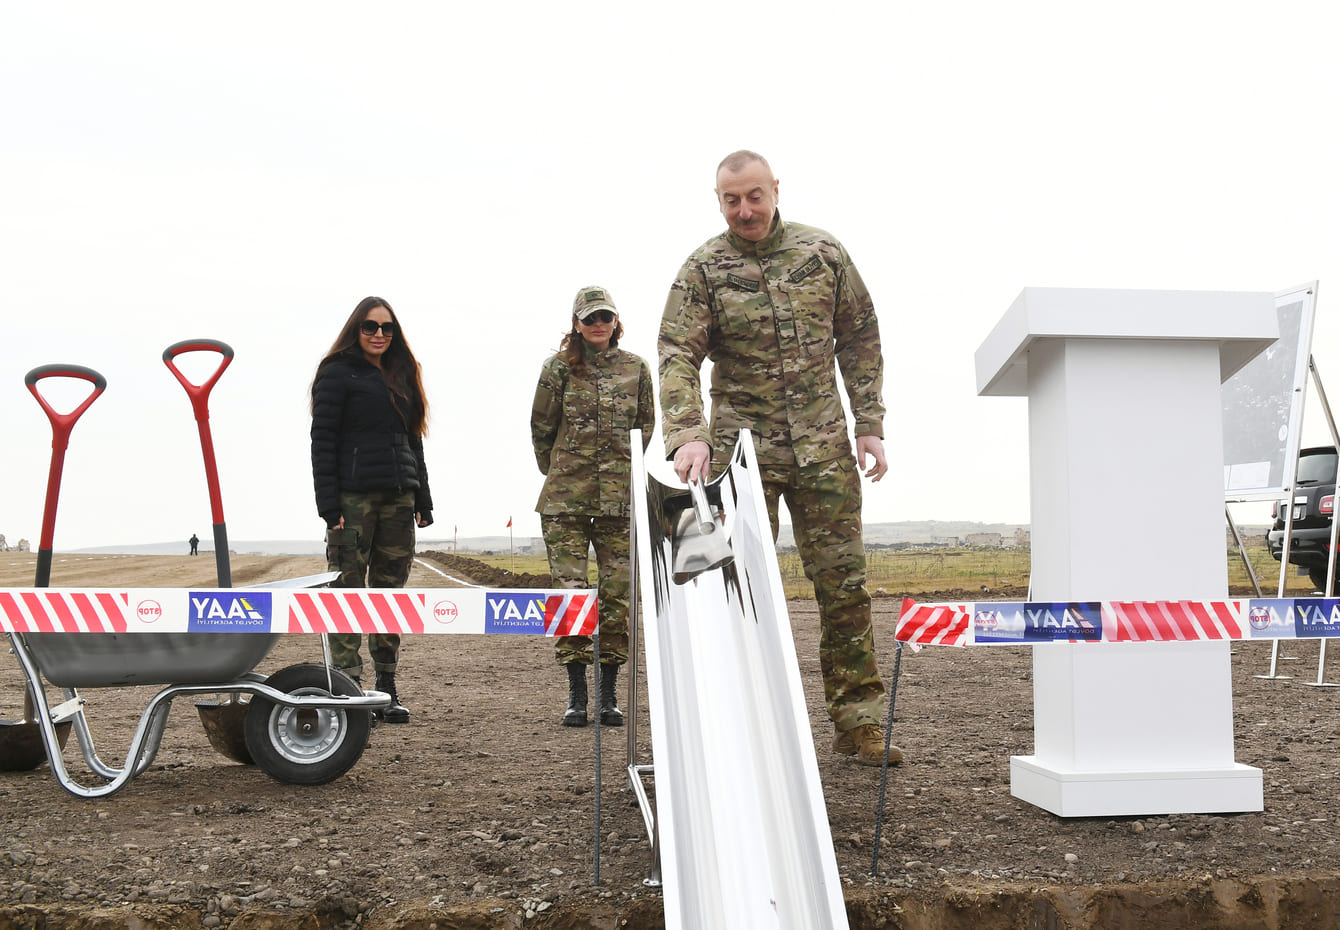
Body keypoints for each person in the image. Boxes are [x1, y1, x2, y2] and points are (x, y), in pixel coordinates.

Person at [658, 150, 901, 766]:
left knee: (844, 589)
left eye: (754, 196)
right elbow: (676, 352)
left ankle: (859, 724)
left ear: (774, 191)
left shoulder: (823, 254)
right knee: (733, 588)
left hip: (825, 449)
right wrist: (689, 432)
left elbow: (861, 334)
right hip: (743, 455)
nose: (745, 210)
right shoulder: (703, 270)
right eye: (731, 200)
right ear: (718, 201)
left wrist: (869, 423)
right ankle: (738, 727)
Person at [530, 286, 655, 727]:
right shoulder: (558, 369)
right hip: (565, 503)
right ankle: (577, 694)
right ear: (576, 324)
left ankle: (608, 695)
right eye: (589, 319)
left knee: (617, 597)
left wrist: (619, 475)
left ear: (616, 322)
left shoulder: (636, 369)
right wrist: (564, 472)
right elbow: (541, 430)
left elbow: (644, 429)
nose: (598, 325)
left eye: (605, 317)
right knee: (571, 597)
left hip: (619, 504)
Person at [310, 296, 433, 724]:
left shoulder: (403, 374)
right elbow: (322, 440)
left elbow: (413, 440)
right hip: (352, 500)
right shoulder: (336, 373)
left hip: (399, 499)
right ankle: (347, 688)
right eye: (369, 327)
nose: (379, 334)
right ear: (355, 329)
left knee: (388, 596)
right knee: (347, 592)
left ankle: (386, 687)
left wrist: (423, 498)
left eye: (387, 328)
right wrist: (329, 505)